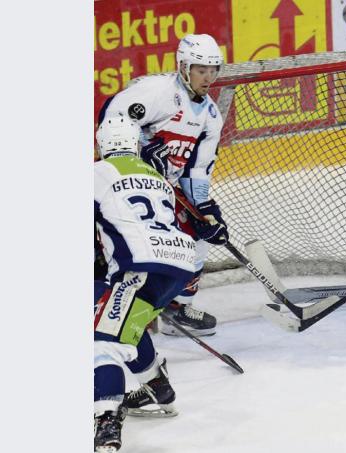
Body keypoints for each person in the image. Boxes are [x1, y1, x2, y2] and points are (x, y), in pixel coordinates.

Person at [97, 33, 229, 335]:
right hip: (123, 178)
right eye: (201, 70)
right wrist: (141, 149)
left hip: (163, 188)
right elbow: (111, 122)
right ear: (183, 67)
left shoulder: (210, 116)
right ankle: (112, 304)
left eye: (213, 70)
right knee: (121, 244)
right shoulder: (155, 92)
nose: (208, 77)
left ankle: (175, 306)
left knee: (198, 235)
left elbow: (197, 169)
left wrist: (204, 208)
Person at [94, 115, 207, 452]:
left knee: (100, 343)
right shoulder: (156, 177)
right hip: (180, 264)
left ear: (102, 145)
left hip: (140, 266)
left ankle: (106, 423)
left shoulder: (94, 173)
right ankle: (160, 391)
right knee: (126, 322)